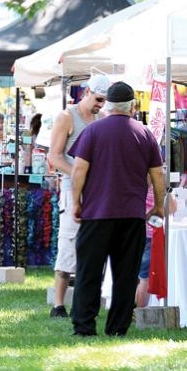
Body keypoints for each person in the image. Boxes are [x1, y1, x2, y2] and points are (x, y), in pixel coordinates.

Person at [69, 81, 165, 337]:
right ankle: (118, 327)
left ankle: (84, 327)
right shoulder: (146, 135)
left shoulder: (92, 131)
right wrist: (157, 206)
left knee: (89, 272)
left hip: (96, 213)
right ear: (132, 106)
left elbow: (79, 170)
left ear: (108, 105)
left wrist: (76, 201)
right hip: (132, 215)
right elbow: (157, 175)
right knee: (126, 275)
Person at [47, 74, 110, 318]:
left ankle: (85, 300)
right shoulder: (66, 116)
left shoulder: (102, 118)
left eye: (104, 101)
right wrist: (79, 172)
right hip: (72, 188)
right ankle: (59, 304)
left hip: (96, 190)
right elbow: (54, 156)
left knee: (93, 244)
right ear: (87, 92)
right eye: (97, 99)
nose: (100, 104)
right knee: (68, 242)